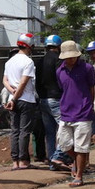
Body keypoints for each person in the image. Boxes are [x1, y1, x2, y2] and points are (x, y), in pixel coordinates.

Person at [55, 40, 95, 187]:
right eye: (67, 57)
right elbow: (63, 89)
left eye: (72, 56)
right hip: (66, 112)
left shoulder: (87, 68)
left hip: (83, 112)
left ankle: (79, 176)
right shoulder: (60, 71)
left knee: (81, 146)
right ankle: (77, 161)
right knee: (64, 144)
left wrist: (90, 105)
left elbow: (92, 88)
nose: (70, 59)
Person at [35, 35, 71, 171]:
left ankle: (52, 162)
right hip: (57, 99)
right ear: (59, 46)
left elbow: (37, 83)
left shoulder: (39, 62)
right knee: (66, 130)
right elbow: (62, 80)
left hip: (43, 100)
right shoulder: (59, 61)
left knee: (50, 134)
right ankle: (58, 157)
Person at [4, 32, 39, 170]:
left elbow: (4, 81)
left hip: (12, 99)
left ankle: (14, 162)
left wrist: (12, 95)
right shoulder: (28, 62)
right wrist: (15, 96)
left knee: (14, 130)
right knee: (24, 131)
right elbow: (23, 83)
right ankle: (24, 161)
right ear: (29, 45)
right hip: (25, 99)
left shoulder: (9, 61)